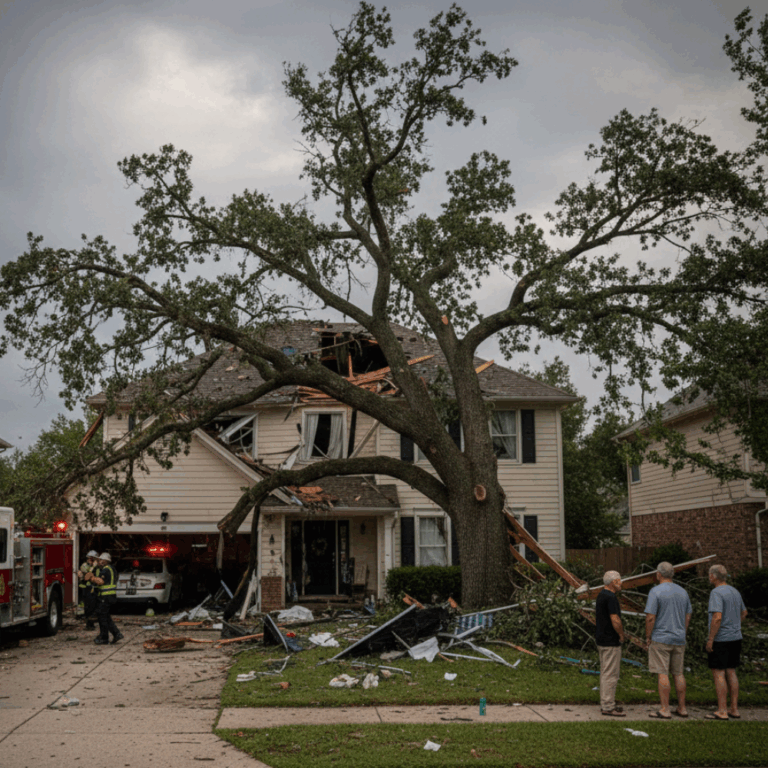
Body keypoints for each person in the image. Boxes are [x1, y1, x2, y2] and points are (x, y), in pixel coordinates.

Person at [644, 561, 692, 719]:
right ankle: (682, 708)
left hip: (661, 637)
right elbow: (688, 615)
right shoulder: (683, 592)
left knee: (662, 673)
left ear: (658, 574)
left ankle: (665, 709)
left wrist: (648, 636)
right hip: (679, 637)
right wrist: (682, 631)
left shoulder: (655, 591)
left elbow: (650, 617)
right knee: (678, 673)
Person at [706, 563, 747, 720]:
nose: (709, 577)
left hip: (721, 638)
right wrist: (734, 624)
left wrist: (711, 639)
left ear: (714, 576)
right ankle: (734, 709)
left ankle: (722, 710)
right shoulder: (734, 591)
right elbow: (744, 612)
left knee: (719, 673)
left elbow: (717, 617)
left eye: (710, 574)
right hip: (736, 637)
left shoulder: (716, 592)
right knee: (731, 671)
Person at [595, 569, 625, 716]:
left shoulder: (601, 595)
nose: (621, 583)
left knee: (605, 672)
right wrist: (621, 634)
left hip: (601, 638)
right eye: (619, 581)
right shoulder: (611, 597)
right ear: (613, 582)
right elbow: (615, 619)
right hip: (610, 640)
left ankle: (606, 702)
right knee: (611, 674)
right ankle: (608, 705)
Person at [88, 552, 124, 645]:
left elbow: (101, 581)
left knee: (102, 617)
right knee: (106, 617)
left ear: (105, 561)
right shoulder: (112, 569)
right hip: (110, 596)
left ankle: (104, 637)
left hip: (106, 597)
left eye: (100, 560)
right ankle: (116, 634)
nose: (99, 562)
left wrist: (92, 578)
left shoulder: (106, 570)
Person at [78, 550, 100, 630]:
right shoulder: (84, 566)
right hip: (86, 588)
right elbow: (87, 576)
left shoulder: (98, 567)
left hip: (95, 588)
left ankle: (92, 624)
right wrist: (93, 567)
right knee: (88, 607)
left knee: (94, 607)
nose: (92, 561)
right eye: (91, 559)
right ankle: (89, 625)